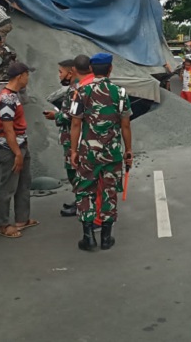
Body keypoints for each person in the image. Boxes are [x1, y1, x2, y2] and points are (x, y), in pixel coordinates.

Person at [70, 53, 133, 251]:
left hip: (88, 153)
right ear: (110, 69)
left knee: (85, 191)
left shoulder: (80, 91)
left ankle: (88, 238)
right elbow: (125, 125)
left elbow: (75, 123)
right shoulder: (120, 93)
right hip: (112, 152)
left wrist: (73, 151)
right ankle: (106, 237)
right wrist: (128, 150)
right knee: (109, 191)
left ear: (91, 70)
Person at [43, 57, 95, 217]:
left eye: (61, 72)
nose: (59, 75)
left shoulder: (76, 90)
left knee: (75, 173)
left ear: (71, 72)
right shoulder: (76, 88)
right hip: (73, 137)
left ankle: (83, 205)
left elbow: (73, 116)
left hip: (75, 139)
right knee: (76, 173)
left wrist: (56, 116)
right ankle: (81, 201)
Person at [0, 61, 38, 238]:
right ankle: (3, 224)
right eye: (27, 74)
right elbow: (8, 129)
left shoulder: (14, 95)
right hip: (11, 149)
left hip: (20, 145)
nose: (28, 78)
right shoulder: (6, 99)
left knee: (23, 184)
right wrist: (17, 153)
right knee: (8, 187)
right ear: (20, 76)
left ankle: (22, 219)